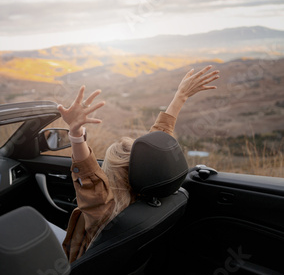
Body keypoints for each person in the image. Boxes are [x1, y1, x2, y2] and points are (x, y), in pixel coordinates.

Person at [58, 65, 219, 262]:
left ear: (112, 173)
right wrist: (180, 97)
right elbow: (159, 138)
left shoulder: (104, 212)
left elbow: (89, 177)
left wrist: (76, 133)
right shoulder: (162, 203)